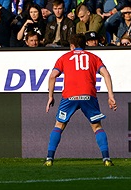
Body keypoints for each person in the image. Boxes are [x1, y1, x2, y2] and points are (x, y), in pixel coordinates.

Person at [43, 33, 117, 167]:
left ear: (71, 46)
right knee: (97, 126)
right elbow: (106, 73)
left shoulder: (64, 57)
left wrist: (50, 96)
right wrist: (110, 95)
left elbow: (53, 76)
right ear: (85, 45)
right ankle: (106, 159)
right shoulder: (93, 58)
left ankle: (49, 158)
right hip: (88, 95)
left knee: (59, 126)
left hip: (69, 96)